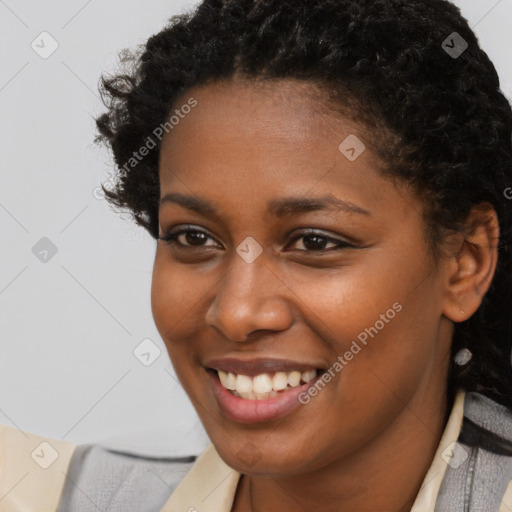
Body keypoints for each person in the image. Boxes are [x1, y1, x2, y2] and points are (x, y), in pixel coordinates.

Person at [2, 0, 512, 510]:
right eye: (194, 238)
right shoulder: (42, 495)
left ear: (465, 263)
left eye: (315, 242)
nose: (237, 312)